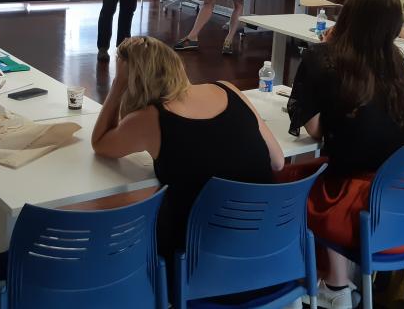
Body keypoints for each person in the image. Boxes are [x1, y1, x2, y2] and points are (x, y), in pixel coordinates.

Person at [91, 36, 284, 275]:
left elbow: (100, 143)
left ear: (134, 79)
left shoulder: (150, 118)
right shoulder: (229, 89)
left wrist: (118, 84)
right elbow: (278, 161)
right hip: (268, 251)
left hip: (197, 263)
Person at [288, 0, 404, 309]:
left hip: (353, 197)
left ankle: (336, 287)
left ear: (347, 16)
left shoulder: (324, 59)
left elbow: (315, 129)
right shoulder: (395, 62)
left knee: (295, 182)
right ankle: (351, 278)